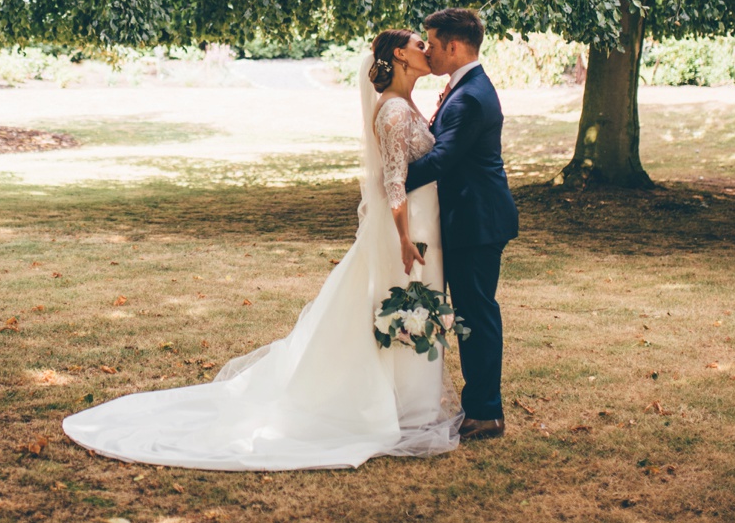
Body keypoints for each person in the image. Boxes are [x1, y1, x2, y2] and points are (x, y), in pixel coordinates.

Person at [60, 29, 461, 470]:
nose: (428, 50)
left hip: (425, 226)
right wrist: (403, 237)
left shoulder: (406, 104)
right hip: (406, 233)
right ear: (401, 55)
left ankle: (409, 403)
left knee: (408, 304)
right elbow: (393, 182)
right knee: (400, 304)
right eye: (419, 45)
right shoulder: (393, 111)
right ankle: (396, 407)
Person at [404, 7, 519, 441]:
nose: (427, 50)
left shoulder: (469, 96)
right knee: (473, 313)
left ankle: (486, 412)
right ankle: (480, 406)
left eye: (431, 43)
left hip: (477, 221)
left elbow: (442, 160)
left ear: (453, 46)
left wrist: (390, 179)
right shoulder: (466, 86)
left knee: (478, 314)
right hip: (470, 217)